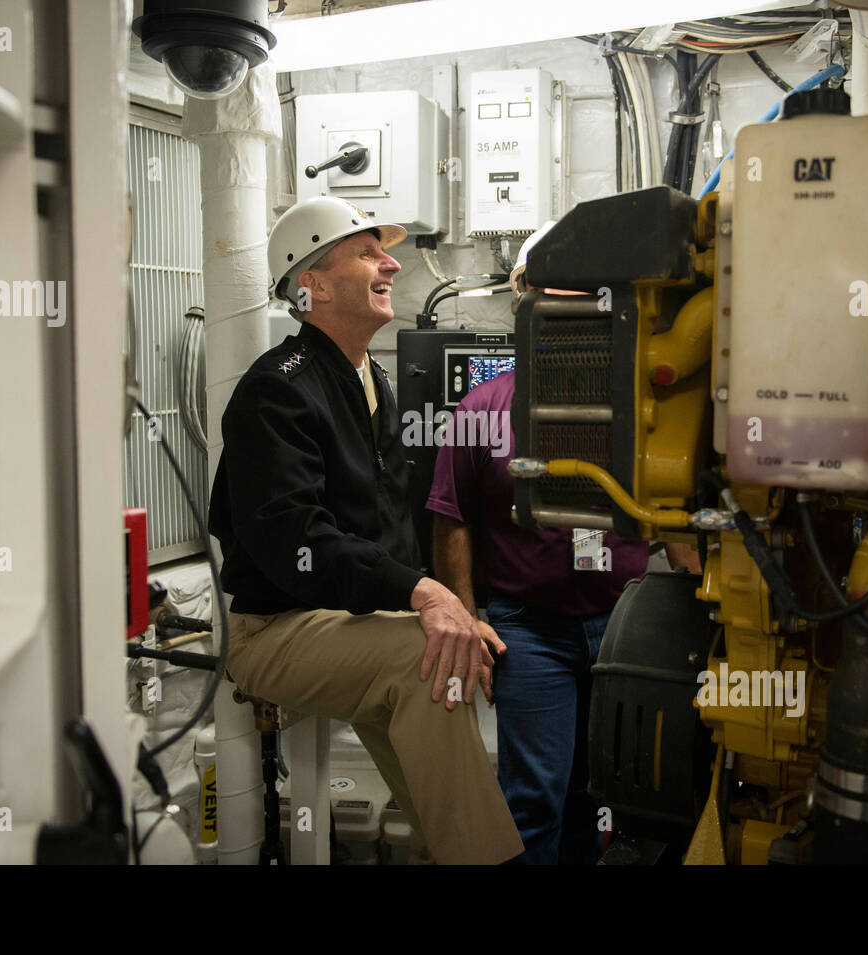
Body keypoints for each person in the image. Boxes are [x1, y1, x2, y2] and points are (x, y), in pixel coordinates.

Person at [208, 196, 522, 865]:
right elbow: (295, 540)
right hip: (274, 630)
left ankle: (449, 847)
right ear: (314, 284)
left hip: (350, 620)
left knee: (442, 654)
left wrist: (453, 610)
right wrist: (423, 595)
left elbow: (391, 525)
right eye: (367, 252)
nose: (391, 263)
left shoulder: (370, 381)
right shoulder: (278, 388)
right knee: (423, 658)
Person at [426, 222, 688, 864]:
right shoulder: (485, 407)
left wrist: (700, 618)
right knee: (534, 799)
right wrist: (467, 619)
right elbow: (451, 517)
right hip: (529, 632)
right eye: (549, 291)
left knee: (602, 798)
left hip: (624, 629)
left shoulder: (642, 406)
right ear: (525, 301)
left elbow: (677, 512)